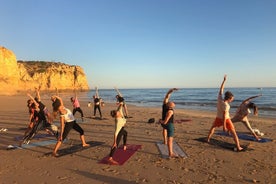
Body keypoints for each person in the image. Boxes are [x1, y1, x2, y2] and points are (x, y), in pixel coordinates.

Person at [207, 75, 243, 151]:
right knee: (234, 133)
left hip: (218, 118)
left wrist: (224, 81)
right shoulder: (226, 106)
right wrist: (224, 126)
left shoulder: (219, 99)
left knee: (212, 128)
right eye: (232, 99)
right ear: (229, 98)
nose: (232, 100)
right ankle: (238, 147)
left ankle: (208, 139)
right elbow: (224, 115)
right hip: (225, 119)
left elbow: (221, 89)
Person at [159, 88, 178, 158]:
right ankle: (171, 153)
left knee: (164, 130)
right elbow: (165, 121)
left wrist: (171, 91)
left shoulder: (164, 105)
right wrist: (161, 121)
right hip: (168, 124)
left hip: (164, 125)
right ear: (170, 106)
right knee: (170, 139)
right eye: (173, 103)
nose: (173, 103)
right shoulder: (170, 111)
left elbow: (167, 96)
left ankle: (164, 141)